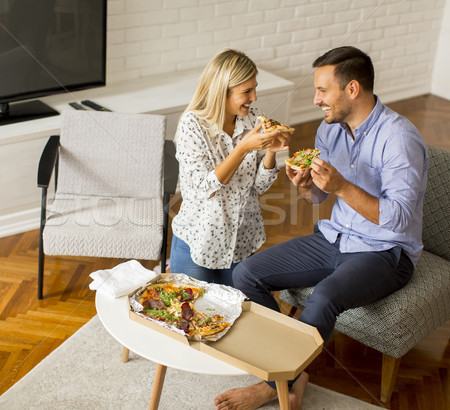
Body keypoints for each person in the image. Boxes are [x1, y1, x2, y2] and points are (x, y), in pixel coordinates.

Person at [214, 46, 428, 409]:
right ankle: (292, 374)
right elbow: (317, 200)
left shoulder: (399, 139)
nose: (315, 100)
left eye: (322, 91)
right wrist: (306, 187)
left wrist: (342, 186)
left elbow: (399, 218)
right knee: (247, 273)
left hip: (384, 251)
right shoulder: (330, 132)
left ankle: (272, 384)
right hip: (335, 237)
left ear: (352, 89)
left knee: (324, 298)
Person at [169, 49, 291, 285]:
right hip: (198, 240)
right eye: (246, 91)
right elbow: (206, 187)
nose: (254, 97)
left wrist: (270, 152)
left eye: (255, 89)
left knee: (236, 315)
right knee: (192, 315)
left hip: (241, 241)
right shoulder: (191, 126)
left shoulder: (253, 119)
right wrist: (243, 148)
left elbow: (260, 186)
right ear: (221, 92)